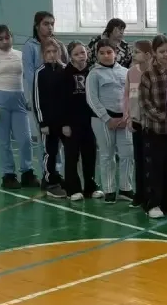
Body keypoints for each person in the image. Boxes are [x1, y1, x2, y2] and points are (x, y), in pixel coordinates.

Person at [0, 24, 36, 189]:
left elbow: (30, 78)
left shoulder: (20, 55)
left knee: (25, 139)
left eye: (7, 38)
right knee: (3, 141)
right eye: (0, 39)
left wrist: (30, 99)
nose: (5, 41)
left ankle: (27, 172)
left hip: (18, 100)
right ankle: (8, 175)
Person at [86, 40, 133, 204]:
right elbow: (92, 99)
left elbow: (131, 96)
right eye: (102, 53)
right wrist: (107, 119)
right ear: (97, 55)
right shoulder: (94, 74)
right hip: (103, 121)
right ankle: (109, 189)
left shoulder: (126, 72)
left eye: (109, 52)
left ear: (115, 53)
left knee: (128, 153)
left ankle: (126, 188)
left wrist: (127, 116)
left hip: (124, 119)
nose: (106, 55)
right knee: (107, 155)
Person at [138, 35, 167, 219]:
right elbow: (144, 102)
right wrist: (162, 116)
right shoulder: (148, 74)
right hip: (154, 129)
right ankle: (153, 204)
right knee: (154, 168)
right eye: (162, 51)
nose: (166, 55)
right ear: (154, 53)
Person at [22, 11, 65, 186]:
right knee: (45, 136)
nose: (49, 27)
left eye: (52, 24)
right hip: (40, 97)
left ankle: (57, 171)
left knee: (59, 138)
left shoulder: (58, 44)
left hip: (58, 99)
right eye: (46, 24)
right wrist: (35, 95)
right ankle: (47, 173)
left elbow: (64, 67)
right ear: (37, 25)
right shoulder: (30, 46)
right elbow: (29, 73)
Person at [58, 42, 101, 202]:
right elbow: (61, 101)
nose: (81, 56)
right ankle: (73, 189)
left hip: (89, 121)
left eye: (82, 52)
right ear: (70, 57)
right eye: (76, 54)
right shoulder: (65, 74)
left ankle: (90, 187)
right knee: (72, 156)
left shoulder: (92, 72)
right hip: (72, 122)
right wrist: (64, 123)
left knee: (90, 154)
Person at [31, 37, 69, 198]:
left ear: (59, 53)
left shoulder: (65, 70)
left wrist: (68, 121)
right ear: (43, 54)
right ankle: (50, 181)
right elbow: (37, 100)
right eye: (48, 52)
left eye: (54, 51)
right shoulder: (40, 73)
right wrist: (43, 123)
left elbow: (69, 98)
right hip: (49, 122)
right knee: (50, 151)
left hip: (65, 122)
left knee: (70, 151)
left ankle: (69, 180)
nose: (52, 55)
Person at [126, 41, 153, 210]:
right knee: (139, 159)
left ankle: (152, 195)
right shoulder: (131, 73)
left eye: (137, 52)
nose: (134, 55)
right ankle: (140, 194)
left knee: (152, 161)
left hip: (152, 124)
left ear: (148, 55)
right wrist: (128, 116)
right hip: (137, 123)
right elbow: (127, 96)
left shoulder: (154, 72)